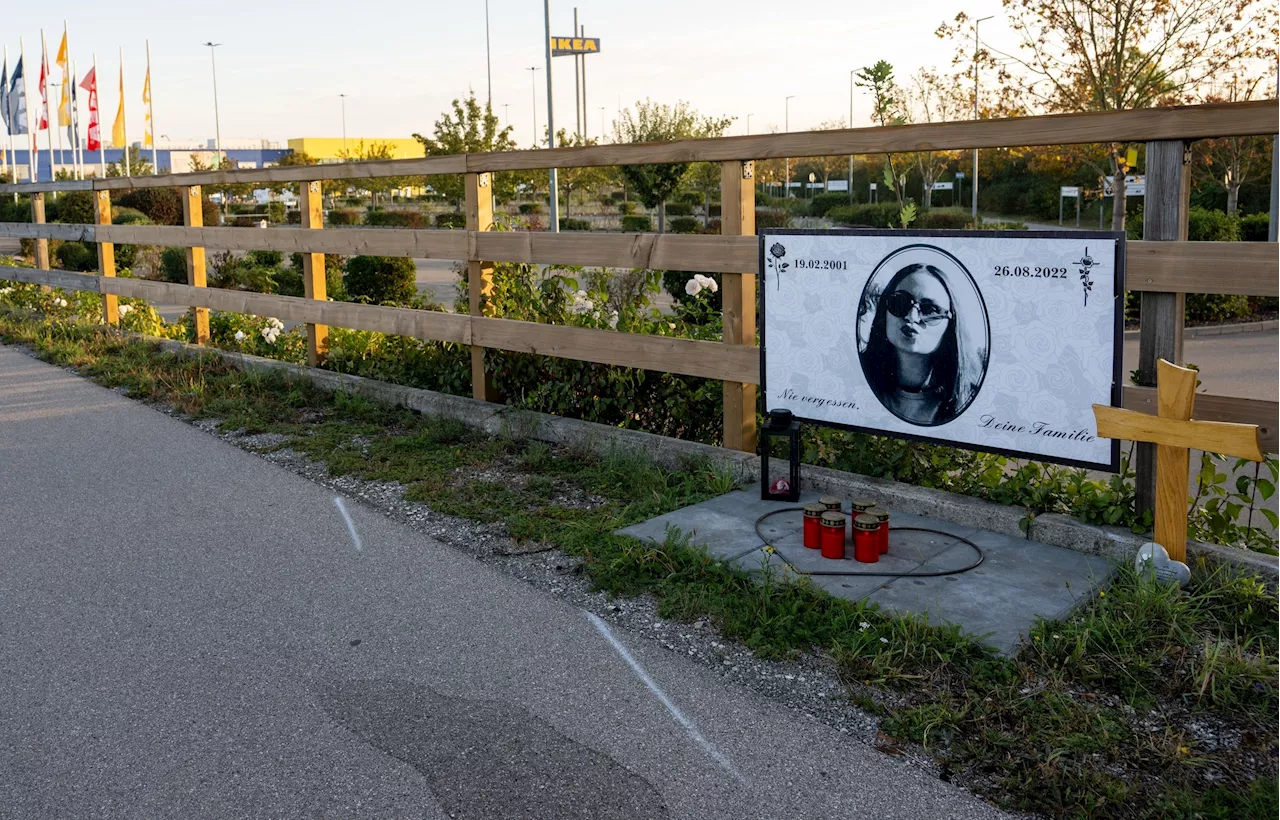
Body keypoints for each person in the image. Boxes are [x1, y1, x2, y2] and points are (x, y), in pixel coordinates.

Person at [861, 263, 982, 426]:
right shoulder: (857, 378)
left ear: (951, 325)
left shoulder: (971, 401)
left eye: (930, 309)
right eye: (899, 302)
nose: (912, 317)